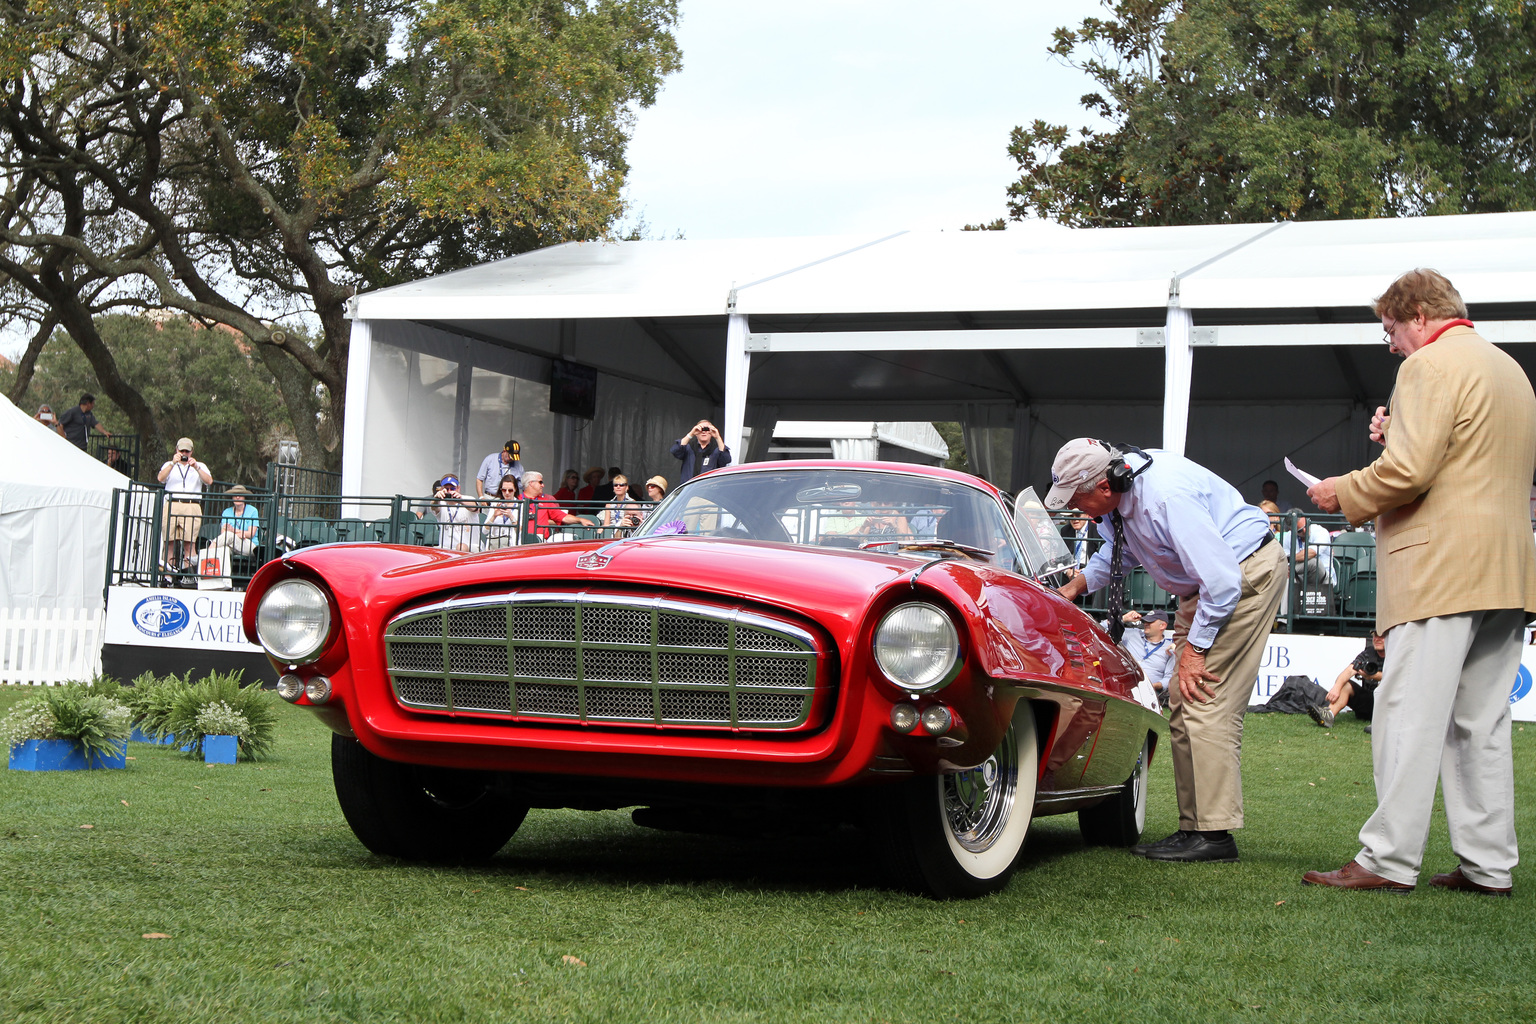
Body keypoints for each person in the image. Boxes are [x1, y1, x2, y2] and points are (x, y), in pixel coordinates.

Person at [1302, 269, 1536, 896]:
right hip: (1506, 567)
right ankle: (1489, 867)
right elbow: (1461, 458)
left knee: (1405, 714)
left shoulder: (1427, 367)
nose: (1390, 345)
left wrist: (1340, 491)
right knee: (1481, 722)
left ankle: (1388, 858)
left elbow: (1408, 473)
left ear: (1420, 317)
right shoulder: (1509, 370)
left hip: (1441, 566)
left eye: (1390, 329)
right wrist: (1395, 434)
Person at [1046, 437, 1285, 864]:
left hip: (1240, 576)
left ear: (1104, 486)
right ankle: (1198, 828)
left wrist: (1194, 650)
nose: (1077, 510)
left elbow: (1224, 582)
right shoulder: (1122, 496)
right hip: (1209, 586)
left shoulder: (1166, 497)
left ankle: (1213, 836)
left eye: (1078, 498)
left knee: (1201, 699)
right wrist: (1074, 587)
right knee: (1183, 697)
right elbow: (1118, 554)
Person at [156, 437, 212, 571]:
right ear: (176, 450)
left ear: (192, 452)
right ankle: (168, 576)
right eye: (182, 451)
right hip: (173, 504)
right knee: (169, 543)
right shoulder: (169, 465)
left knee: (190, 544)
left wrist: (196, 467)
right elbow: (160, 478)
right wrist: (172, 464)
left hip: (191, 505)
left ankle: (189, 576)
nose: (184, 454)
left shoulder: (200, 466)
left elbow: (209, 481)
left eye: (187, 451)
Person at [1312, 632, 1385, 730]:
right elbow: (1349, 671)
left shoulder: (1397, 655)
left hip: (1389, 703)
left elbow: (1398, 677)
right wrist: (1336, 688)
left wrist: (1374, 675)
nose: (1377, 639)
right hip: (1369, 702)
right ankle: (1328, 715)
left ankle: (1382, 723)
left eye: (1381, 637)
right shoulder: (1369, 653)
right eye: (1375, 636)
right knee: (1345, 685)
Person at [200, 485, 259, 587]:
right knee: (223, 549)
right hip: (231, 543)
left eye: (240, 495)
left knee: (228, 536)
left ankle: (205, 555)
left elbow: (250, 533)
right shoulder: (227, 512)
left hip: (250, 545)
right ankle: (223, 582)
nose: (237, 497)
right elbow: (223, 534)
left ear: (244, 497)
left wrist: (233, 530)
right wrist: (239, 533)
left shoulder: (252, 511)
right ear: (232, 497)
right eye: (235, 495)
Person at [522, 471, 596, 540]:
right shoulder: (517, 500)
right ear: (531, 483)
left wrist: (580, 519)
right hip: (517, 540)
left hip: (540, 542)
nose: (543, 485)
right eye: (540, 482)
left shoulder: (545, 502)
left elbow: (563, 517)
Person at [1122, 610, 1176, 704]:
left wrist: (1153, 685)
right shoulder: (1133, 634)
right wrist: (1123, 619)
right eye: (1146, 621)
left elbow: (1169, 678)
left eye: (1150, 622)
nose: (1146, 624)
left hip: (1149, 694)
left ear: (1162, 626)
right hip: (1124, 686)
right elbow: (1100, 630)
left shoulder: (1170, 647)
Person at [432, 474, 479, 553]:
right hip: (446, 548)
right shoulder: (441, 503)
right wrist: (436, 499)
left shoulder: (467, 499)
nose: (449, 491)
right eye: (446, 489)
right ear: (442, 489)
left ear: (458, 488)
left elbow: (474, 507)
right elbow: (434, 507)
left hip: (469, 548)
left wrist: (460, 500)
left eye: (452, 488)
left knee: (461, 547)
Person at [482, 474, 523, 550]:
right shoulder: (495, 504)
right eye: (504, 490)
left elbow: (520, 532)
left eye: (510, 490)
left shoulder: (520, 505)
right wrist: (494, 516)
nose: (507, 493)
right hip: (494, 546)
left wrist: (511, 517)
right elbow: (484, 530)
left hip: (512, 546)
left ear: (515, 489)